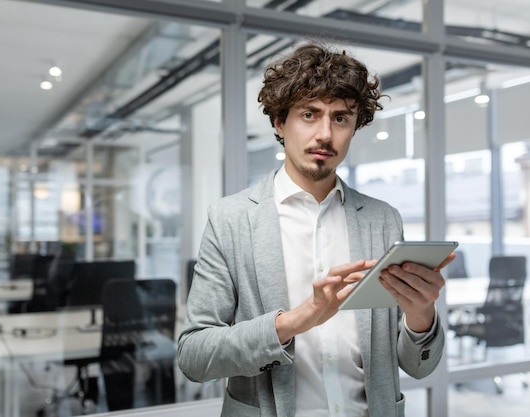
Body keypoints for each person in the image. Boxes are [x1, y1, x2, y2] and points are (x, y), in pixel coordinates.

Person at [177, 39, 455, 417]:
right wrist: (294, 321)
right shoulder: (231, 219)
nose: (325, 133)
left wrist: (421, 316)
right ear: (279, 121)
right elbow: (194, 356)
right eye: (309, 114)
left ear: (354, 128)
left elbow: (418, 365)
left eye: (340, 117)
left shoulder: (383, 219)